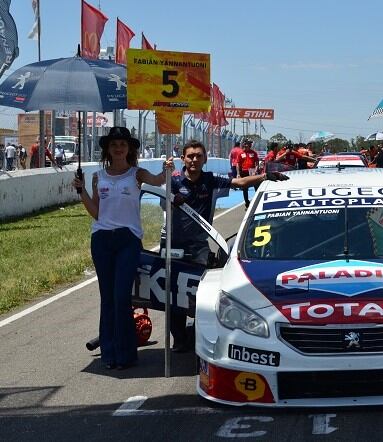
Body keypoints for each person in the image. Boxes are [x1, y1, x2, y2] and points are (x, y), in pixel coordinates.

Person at [164, 139, 289, 351]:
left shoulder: (209, 179)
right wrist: (168, 187)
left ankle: (196, 332)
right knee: (172, 294)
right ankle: (179, 338)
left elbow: (239, 183)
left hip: (198, 246)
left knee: (199, 293)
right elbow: (160, 198)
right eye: (190, 156)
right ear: (183, 158)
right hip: (172, 245)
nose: (194, 159)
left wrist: (265, 176)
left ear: (204, 159)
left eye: (198, 156)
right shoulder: (174, 180)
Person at [72, 126, 175, 369]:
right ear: (107, 149)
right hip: (101, 240)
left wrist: (167, 169)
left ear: (130, 149)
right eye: (114, 144)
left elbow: (159, 180)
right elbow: (96, 213)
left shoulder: (137, 174)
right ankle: (109, 354)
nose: (118, 148)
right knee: (107, 298)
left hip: (128, 240)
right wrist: (81, 190)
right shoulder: (98, 177)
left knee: (121, 297)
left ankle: (126, 353)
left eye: (123, 144)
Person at [237, 140, 260, 207]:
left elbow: (257, 163)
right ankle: (247, 202)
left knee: (256, 187)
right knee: (245, 188)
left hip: (252, 172)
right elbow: (238, 164)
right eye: (248, 144)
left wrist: (256, 170)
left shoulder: (254, 153)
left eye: (250, 144)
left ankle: (257, 202)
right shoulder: (240, 153)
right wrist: (238, 173)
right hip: (244, 172)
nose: (250, 145)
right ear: (244, 144)